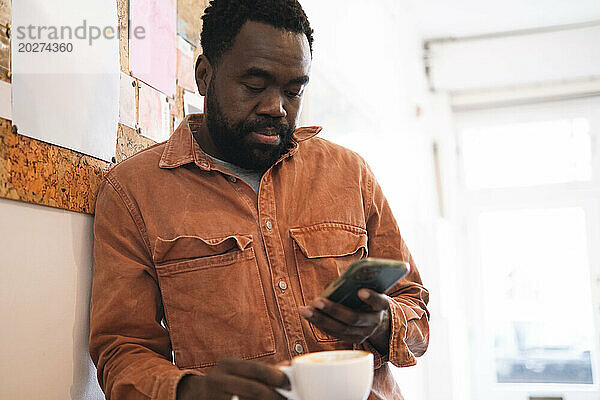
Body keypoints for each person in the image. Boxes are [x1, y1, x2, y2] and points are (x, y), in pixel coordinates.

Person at [89, 0, 430, 399]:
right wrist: (189, 392)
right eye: (254, 86)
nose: (275, 108)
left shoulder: (350, 174)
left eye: (293, 91)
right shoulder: (134, 193)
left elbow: (417, 313)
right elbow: (121, 351)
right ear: (204, 76)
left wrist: (383, 322)